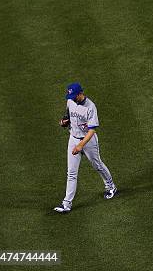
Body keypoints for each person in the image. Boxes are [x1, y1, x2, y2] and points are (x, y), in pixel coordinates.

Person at [53, 82, 117, 213]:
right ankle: (67, 204)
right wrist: (63, 122)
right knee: (71, 173)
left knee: (97, 165)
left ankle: (111, 186)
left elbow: (92, 130)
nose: (71, 98)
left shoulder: (90, 107)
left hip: (88, 141)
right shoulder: (70, 102)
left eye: (74, 95)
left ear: (81, 93)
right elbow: (67, 117)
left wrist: (80, 146)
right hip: (73, 139)